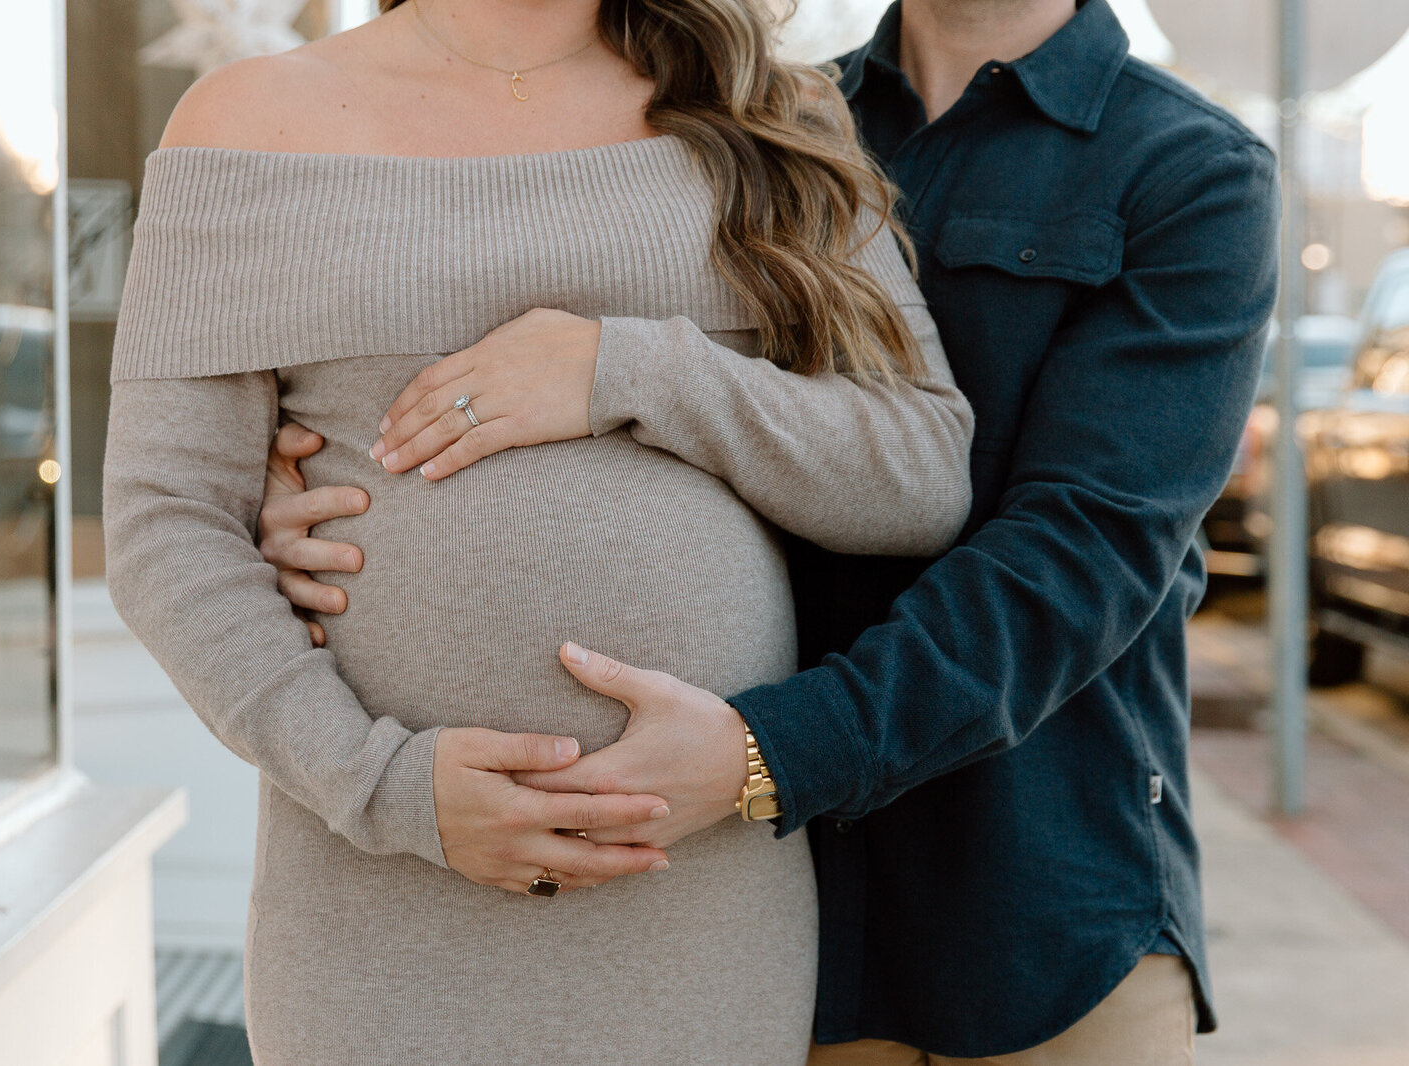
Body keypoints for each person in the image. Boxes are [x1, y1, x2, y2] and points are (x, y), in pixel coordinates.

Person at [256, 0, 1282, 1061]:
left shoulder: (1190, 171)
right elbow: (556, 367)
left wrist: (766, 753)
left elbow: (1083, 556)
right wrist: (346, 494)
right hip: (769, 908)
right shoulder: (739, 117)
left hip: (1035, 892)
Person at [101, 0, 975, 1059]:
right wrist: (380, 785)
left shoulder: (768, 112)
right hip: (375, 910)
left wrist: (630, 371)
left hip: (691, 906)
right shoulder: (243, 124)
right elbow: (166, 520)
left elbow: (918, 470)